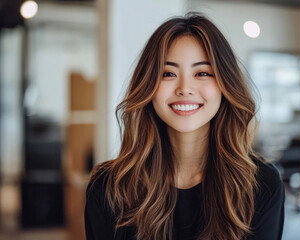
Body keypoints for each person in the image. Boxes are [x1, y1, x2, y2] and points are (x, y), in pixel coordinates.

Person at [85, 13, 284, 240]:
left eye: (202, 73)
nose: (185, 88)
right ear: (148, 86)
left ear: (225, 85)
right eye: (168, 73)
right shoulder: (107, 188)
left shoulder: (262, 186)